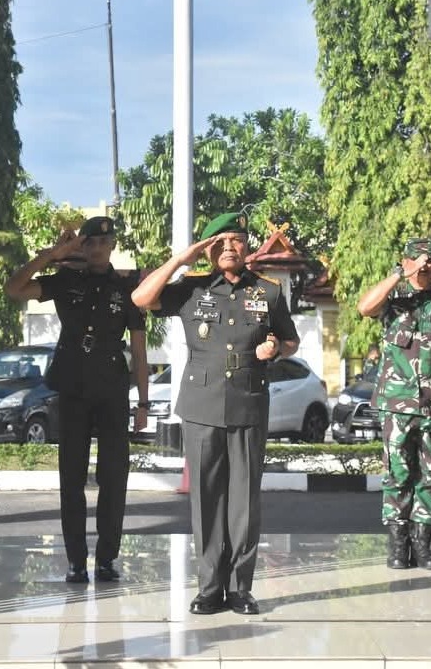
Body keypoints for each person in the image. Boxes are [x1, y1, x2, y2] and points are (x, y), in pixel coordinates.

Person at [131, 212, 299, 615]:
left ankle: (240, 589)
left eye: (236, 240)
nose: (229, 248)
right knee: (206, 500)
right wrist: (181, 259)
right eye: (219, 243)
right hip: (202, 404)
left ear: (246, 245)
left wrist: (276, 349)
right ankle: (209, 587)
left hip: (248, 402)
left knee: (244, 500)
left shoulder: (268, 291)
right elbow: (141, 299)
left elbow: (291, 340)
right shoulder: (191, 287)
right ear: (207, 249)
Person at [4, 215, 148, 584]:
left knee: (113, 477)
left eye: (103, 242)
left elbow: (139, 349)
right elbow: (15, 289)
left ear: (113, 246)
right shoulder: (65, 281)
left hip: (112, 390)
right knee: (71, 478)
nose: (97, 248)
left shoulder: (127, 288)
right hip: (72, 388)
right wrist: (53, 253)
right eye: (90, 243)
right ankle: (75, 561)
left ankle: (107, 559)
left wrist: (143, 403)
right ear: (81, 246)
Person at [357, 237, 431, 571]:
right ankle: (397, 546)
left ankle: (422, 547)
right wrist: (398, 275)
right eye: (419, 259)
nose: (425, 265)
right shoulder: (393, 299)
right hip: (396, 404)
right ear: (405, 261)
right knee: (397, 474)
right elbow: (365, 308)